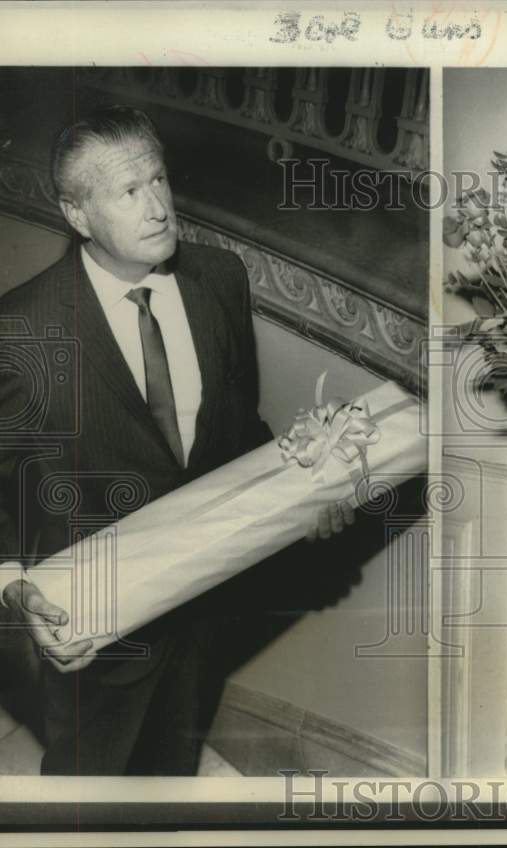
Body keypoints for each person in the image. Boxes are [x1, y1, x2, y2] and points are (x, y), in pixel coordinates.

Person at [0, 105, 353, 775]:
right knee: (87, 790)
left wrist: (307, 492)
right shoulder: (19, 330)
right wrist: (13, 586)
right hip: (93, 627)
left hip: (203, 605)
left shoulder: (219, 279)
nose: (158, 206)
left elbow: (237, 430)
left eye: (158, 180)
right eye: (129, 192)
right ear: (78, 215)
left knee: (170, 772)